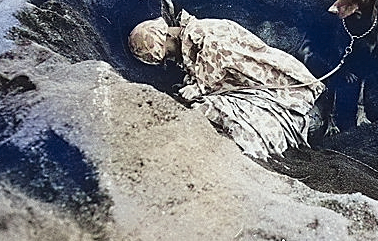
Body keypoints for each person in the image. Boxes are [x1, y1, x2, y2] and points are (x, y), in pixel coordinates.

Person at [128, 10, 325, 160]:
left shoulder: (206, 35)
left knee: (224, 114)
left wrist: (198, 88)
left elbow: (222, 59)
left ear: (168, 36)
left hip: (283, 91)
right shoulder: (192, 41)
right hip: (252, 89)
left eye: (168, 53)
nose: (171, 59)